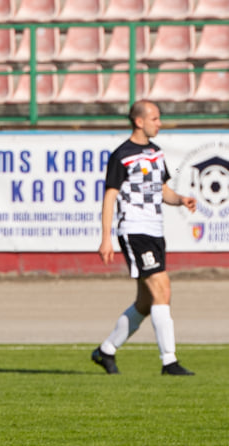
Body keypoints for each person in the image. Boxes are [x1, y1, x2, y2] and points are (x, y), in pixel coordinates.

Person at [91, 99, 196, 376]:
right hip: (135, 231)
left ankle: (106, 351)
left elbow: (163, 191)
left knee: (145, 303)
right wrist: (106, 238)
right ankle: (169, 361)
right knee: (163, 290)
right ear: (139, 121)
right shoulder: (121, 155)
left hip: (156, 230)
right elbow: (109, 196)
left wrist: (181, 199)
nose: (159, 124)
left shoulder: (156, 153)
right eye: (155, 119)